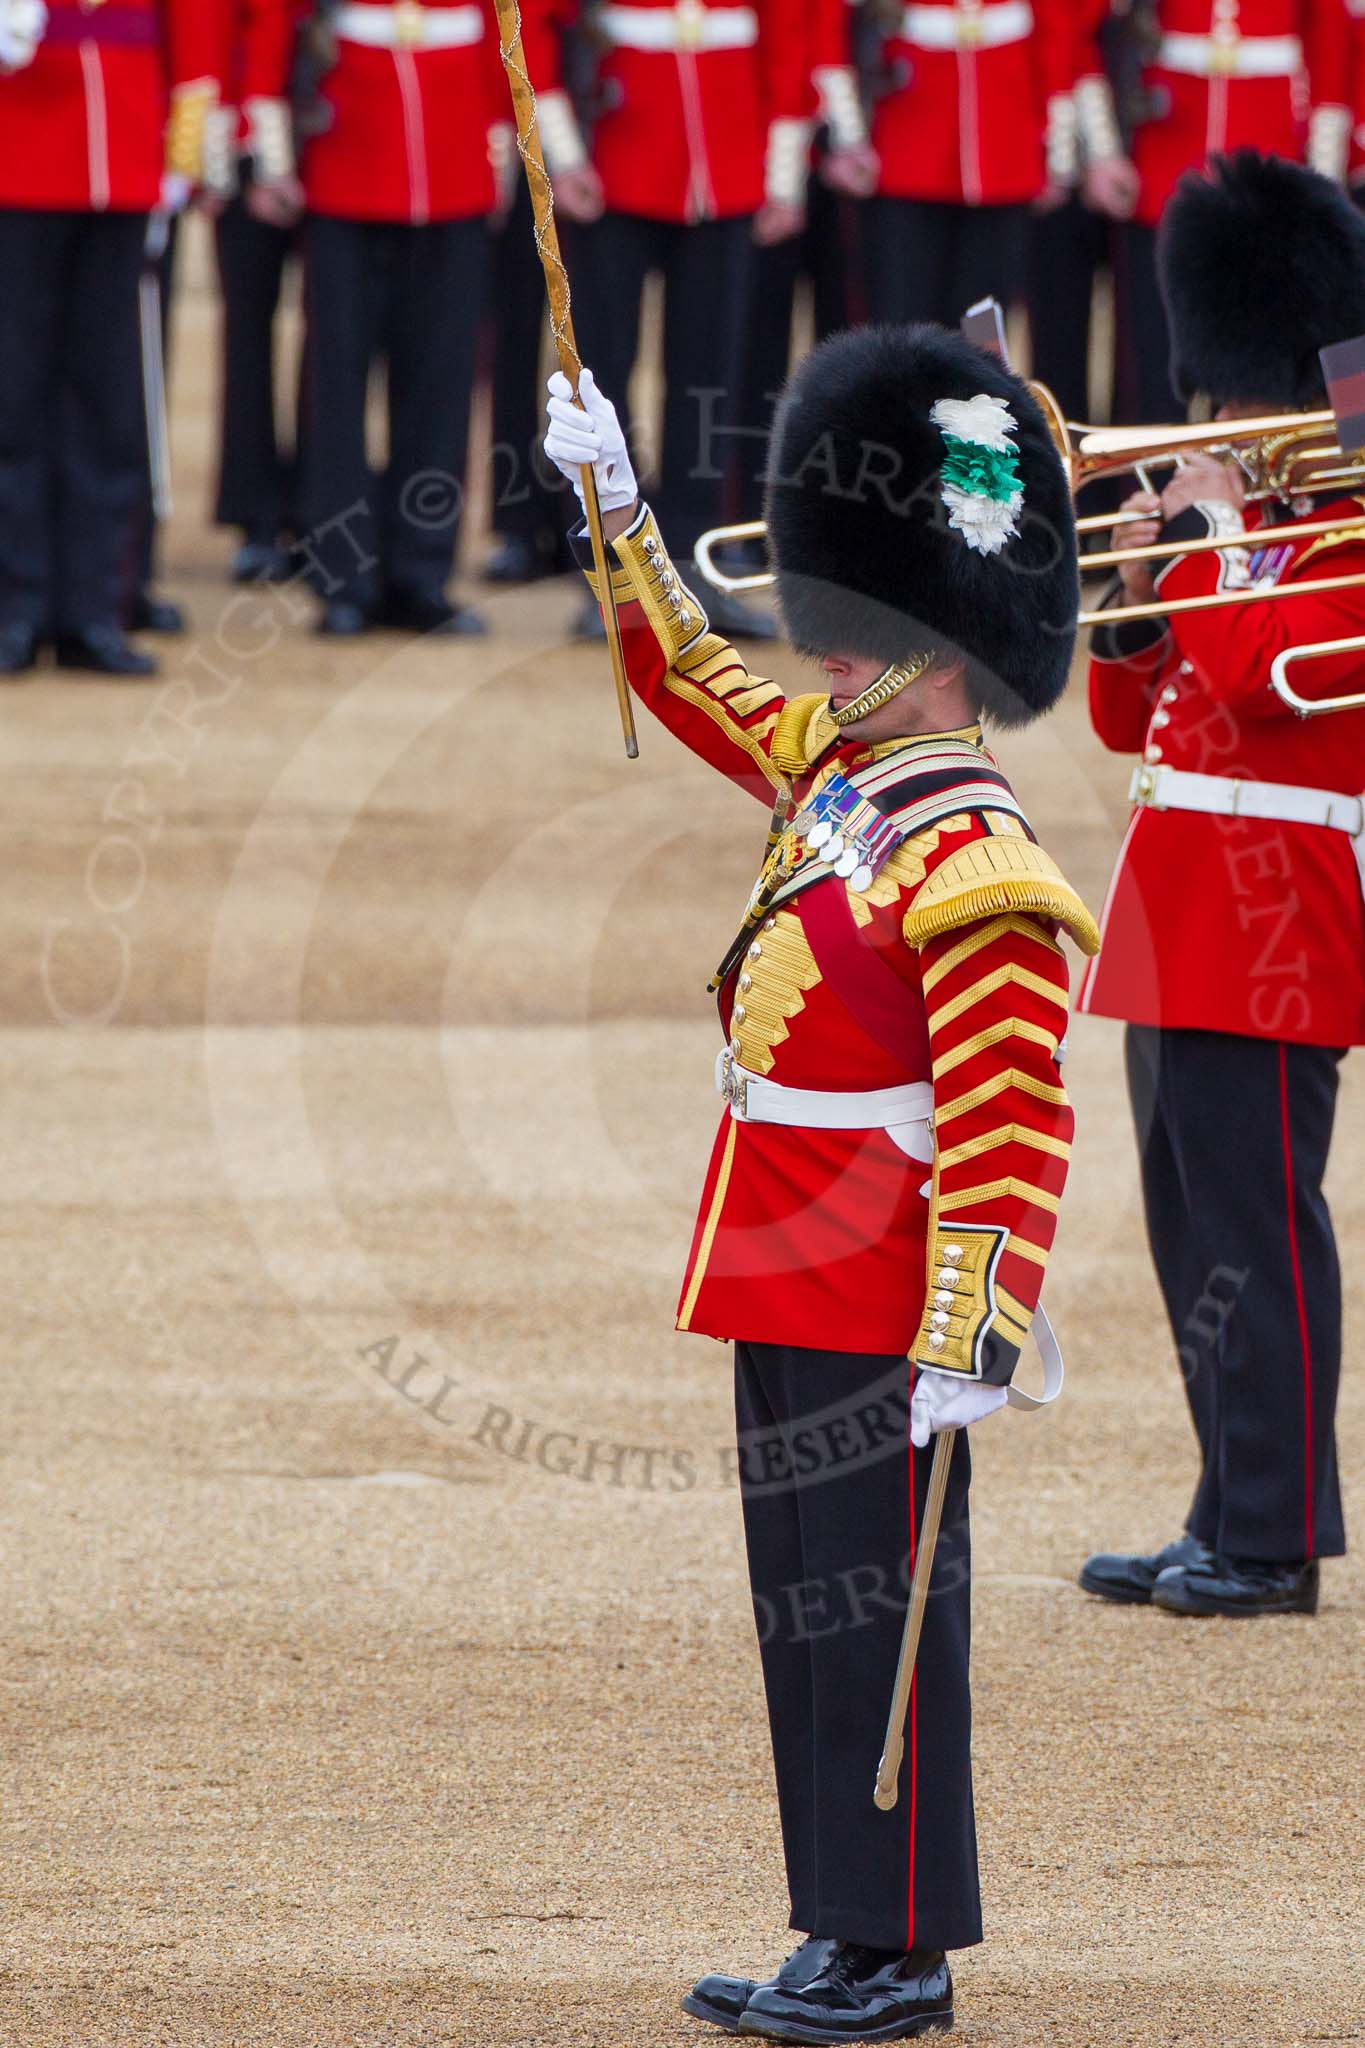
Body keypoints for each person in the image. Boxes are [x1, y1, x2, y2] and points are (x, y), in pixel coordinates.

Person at [544, 326, 1098, 2042]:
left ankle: (905, 1941)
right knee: (808, 1617)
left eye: (860, 627)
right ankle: (838, 1927)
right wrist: (617, 509)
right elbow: (689, 681)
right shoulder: (848, 771)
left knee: (882, 1620)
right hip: (785, 1257)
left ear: (929, 650)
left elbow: (1014, 1120)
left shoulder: (976, 854)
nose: (824, 651)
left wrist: (972, 1333)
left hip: (880, 1286)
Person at [1077, 151, 1365, 1617]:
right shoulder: (1250, 513)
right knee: (1193, 1225)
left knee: (1259, 1220)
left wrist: (1206, 543)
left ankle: (1275, 1535)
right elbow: (1136, 721)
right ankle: (1221, 1500)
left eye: (1244, 395)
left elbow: (1266, 681)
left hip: (1273, 907)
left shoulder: (1342, 517)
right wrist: (1133, 598)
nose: (1222, 424)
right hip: (1178, 895)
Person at [243, 0, 552, 636]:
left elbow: (510, 31)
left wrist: (504, 147)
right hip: (344, 166)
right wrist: (271, 155)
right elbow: (275, 22)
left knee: (442, 386)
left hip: (455, 166)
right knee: (337, 390)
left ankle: (422, 571)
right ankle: (342, 576)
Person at [542, 0, 814, 643]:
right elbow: (533, 26)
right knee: (597, 385)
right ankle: (611, 577)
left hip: (723, 163)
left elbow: (787, 38)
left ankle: (692, 572)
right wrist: (564, 152)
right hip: (613, 161)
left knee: (708, 382)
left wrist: (780, 177)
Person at [0, 0, 220, 676]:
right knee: (13, 394)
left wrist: (186, 151)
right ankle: (14, 606)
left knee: (106, 401)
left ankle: (92, 609)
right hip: (18, 144)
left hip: (125, 145)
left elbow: (193, 26)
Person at [1068, 3, 1356, 423]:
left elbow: (1330, 54)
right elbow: (1084, 27)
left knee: (1260, 390)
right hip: (1164, 170)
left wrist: (1320, 188)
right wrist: (1102, 150)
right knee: (1154, 381)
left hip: (1269, 175)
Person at [862, 0, 1081, 331]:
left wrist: (1056, 147)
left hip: (1003, 145)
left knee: (982, 335)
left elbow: (1056, 31)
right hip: (907, 140)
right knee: (902, 328)